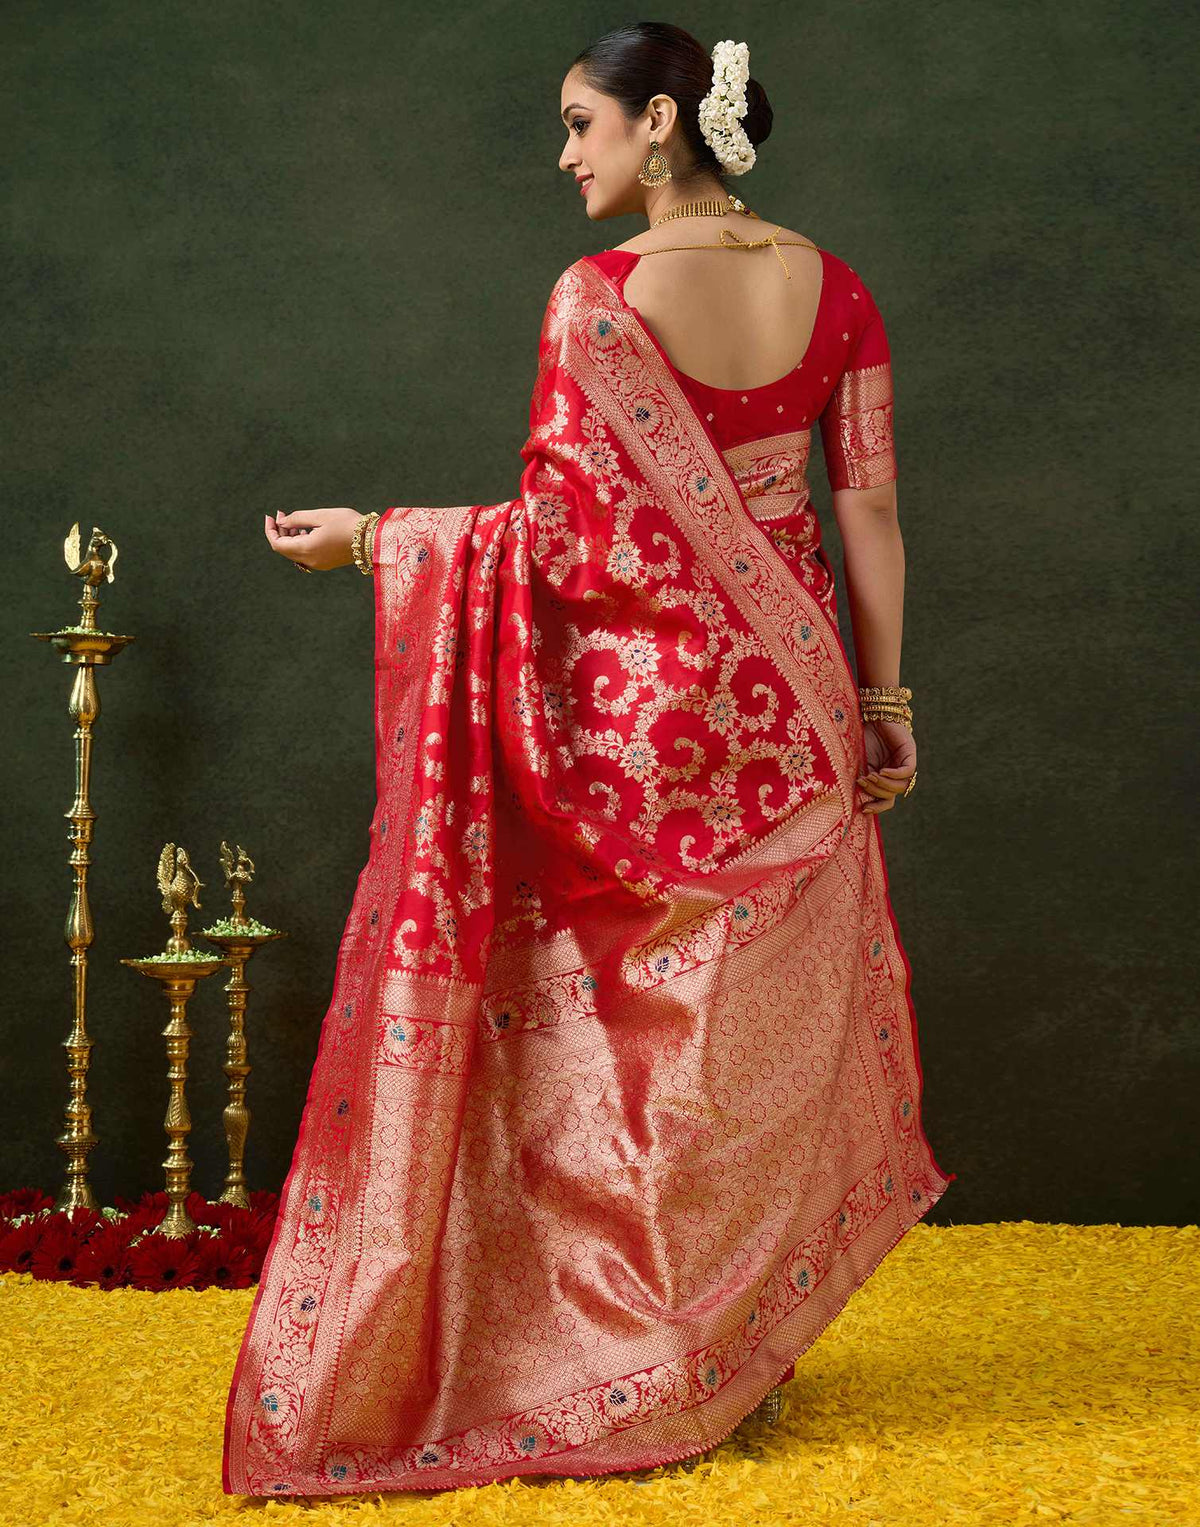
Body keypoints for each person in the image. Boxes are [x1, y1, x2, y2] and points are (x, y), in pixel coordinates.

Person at [224, 21, 956, 1499]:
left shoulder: (599, 299)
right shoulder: (840, 288)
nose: (565, 155)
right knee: (729, 1047)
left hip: (639, 731)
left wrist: (377, 541)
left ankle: (635, 1362)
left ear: (660, 119)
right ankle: (710, 1352)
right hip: (798, 713)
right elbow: (869, 511)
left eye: (579, 123)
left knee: (624, 1042)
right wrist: (885, 701)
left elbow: (567, 544)